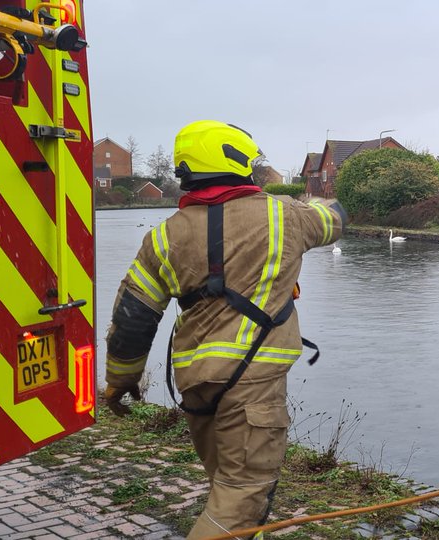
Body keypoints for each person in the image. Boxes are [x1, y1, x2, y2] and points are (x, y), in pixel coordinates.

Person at [102, 120, 346, 539]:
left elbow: (133, 318)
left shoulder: (163, 237)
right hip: (252, 385)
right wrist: (319, 199)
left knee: (225, 485)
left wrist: (120, 379)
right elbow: (335, 219)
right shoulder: (285, 215)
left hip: (196, 385)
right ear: (238, 162)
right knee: (242, 496)